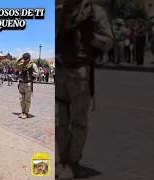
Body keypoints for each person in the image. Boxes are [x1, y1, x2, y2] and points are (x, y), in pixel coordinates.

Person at [57, 0, 113, 178]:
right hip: (60, 72)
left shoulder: (94, 12)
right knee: (59, 121)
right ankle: (62, 159)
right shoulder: (58, 11)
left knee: (78, 122)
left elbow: (108, 42)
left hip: (80, 73)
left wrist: (91, 37)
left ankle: (73, 163)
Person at [15, 53, 39, 119]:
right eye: (24, 59)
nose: (24, 60)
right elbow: (16, 66)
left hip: (28, 84)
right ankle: (22, 112)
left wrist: (32, 73)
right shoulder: (22, 64)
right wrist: (19, 59)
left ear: (29, 59)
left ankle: (26, 113)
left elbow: (37, 74)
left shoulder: (33, 65)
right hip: (21, 83)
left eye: (25, 59)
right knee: (21, 99)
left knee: (27, 100)